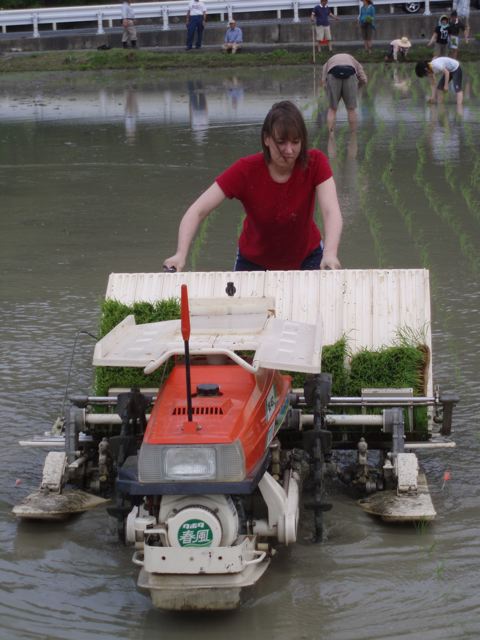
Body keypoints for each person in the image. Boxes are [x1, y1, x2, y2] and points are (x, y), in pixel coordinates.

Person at [163, 101, 343, 272]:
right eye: (281, 142)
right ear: (266, 139)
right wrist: (180, 254)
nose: (289, 150)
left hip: (307, 257)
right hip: (254, 262)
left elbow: (331, 211)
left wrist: (330, 254)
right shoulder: (246, 170)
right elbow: (198, 210)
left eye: (296, 142)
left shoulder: (315, 163)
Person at [321, 53, 368, 132]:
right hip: (350, 75)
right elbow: (364, 79)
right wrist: (357, 87)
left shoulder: (330, 60)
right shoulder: (353, 60)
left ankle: (331, 133)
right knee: (351, 109)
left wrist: (327, 89)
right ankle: (353, 133)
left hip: (333, 75)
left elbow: (323, 79)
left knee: (332, 109)